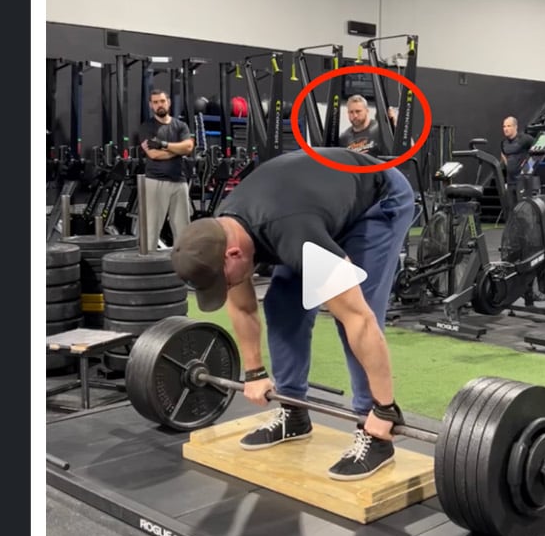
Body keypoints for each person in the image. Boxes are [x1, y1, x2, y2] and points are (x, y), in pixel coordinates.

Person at [170, 148, 417, 480]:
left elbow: (360, 321)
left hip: (377, 198)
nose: (225, 287)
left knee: (355, 312)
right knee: (282, 303)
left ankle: (375, 429)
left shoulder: (293, 235)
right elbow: (242, 305)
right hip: (314, 206)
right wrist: (254, 372)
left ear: (233, 253)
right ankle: (294, 411)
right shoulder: (221, 232)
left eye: (223, 281)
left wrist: (385, 409)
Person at [133, 89, 195, 248]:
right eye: (155, 102)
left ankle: (184, 261)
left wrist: (163, 145)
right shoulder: (146, 127)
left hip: (179, 181)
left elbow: (188, 147)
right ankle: (148, 261)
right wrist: (178, 151)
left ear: (169, 102)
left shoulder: (180, 126)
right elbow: (153, 154)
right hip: (155, 181)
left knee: (183, 230)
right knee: (151, 230)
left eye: (162, 101)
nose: (159, 105)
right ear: (151, 105)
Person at [498, 116, 530, 213]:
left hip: (522, 180)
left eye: (509, 126)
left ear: (515, 127)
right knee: (512, 209)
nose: (506, 129)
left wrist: (527, 165)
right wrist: (508, 165)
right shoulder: (503, 143)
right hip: (510, 181)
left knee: (523, 209)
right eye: (504, 126)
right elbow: (503, 154)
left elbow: (538, 149)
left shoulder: (524, 139)